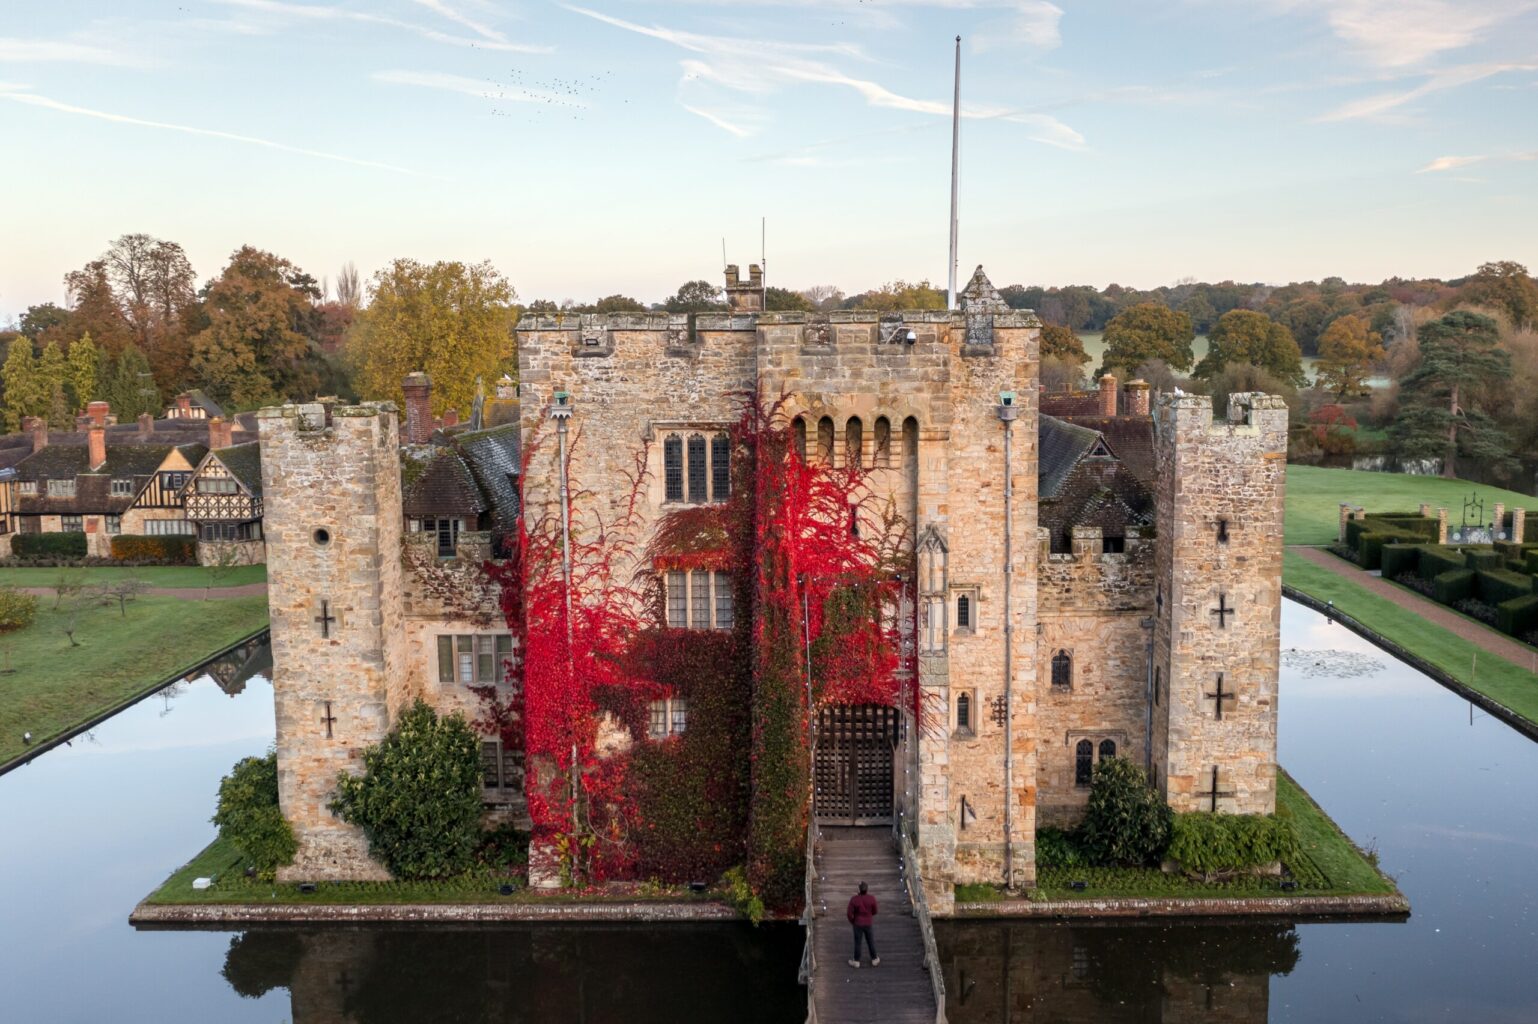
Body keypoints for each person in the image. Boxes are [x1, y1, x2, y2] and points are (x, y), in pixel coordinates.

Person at [847, 881, 879, 968]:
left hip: (857, 923)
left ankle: (856, 961)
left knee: (858, 943)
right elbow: (875, 911)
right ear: (867, 890)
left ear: (859, 890)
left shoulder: (854, 899)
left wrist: (852, 921)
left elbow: (849, 913)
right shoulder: (871, 898)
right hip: (868, 923)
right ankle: (874, 959)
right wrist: (868, 915)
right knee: (870, 941)